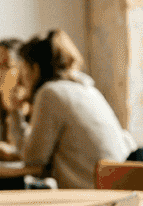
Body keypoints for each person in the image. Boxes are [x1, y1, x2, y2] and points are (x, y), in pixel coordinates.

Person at [11, 29, 135, 189]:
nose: (22, 79)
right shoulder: (87, 89)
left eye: (24, 71)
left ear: (35, 69)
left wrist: (15, 111)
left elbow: (33, 160)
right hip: (119, 191)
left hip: (91, 198)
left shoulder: (50, 93)